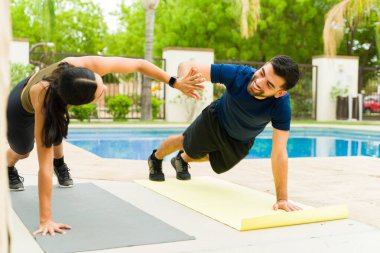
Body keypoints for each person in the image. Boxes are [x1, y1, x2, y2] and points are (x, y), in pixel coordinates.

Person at [7, 56, 205, 236]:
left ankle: (62, 164)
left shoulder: (84, 67)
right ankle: (7, 166)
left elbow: (138, 64)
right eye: (101, 94)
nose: (104, 90)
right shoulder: (44, 98)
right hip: (20, 109)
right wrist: (45, 220)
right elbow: (44, 166)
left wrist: (175, 82)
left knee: (56, 130)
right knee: (23, 151)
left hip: (53, 97)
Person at [148, 55, 302, 212]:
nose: (259, 82)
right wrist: (183, 79)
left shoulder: (281, 106)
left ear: (280, 93)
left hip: (241, 140)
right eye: (262, 73)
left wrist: (282, 199)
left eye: (269, 84)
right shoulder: (239, 75)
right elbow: (186, 65)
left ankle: (181, 159)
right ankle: (155, 158)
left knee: (215, 160)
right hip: (215, 120)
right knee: (184, 142)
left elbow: (279, 153)